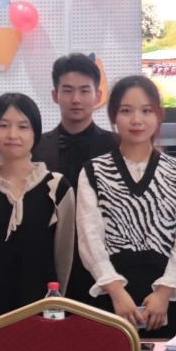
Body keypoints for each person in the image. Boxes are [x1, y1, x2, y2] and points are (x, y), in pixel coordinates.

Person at [77, 76, 176, 334]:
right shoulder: (93, 171)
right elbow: (89, 238)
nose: (136, 120)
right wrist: (116, 292)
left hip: (165, 301)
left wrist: (164, 293)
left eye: (146, 110)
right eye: (126, 111)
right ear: (113, 116)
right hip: (111, 300)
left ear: (159, 115)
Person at [0, 93, 75, 337]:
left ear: (35, 132)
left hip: (44, 307)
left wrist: (59, 303)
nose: (12, 134)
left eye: (23, 126)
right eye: (3, 125)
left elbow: (64, 259)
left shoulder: (57, 187)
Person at [32, 52, 117, 302]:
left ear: (98, 96)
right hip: (49, 262)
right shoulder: (36, 148)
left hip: (104, 265)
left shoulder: (116, 147)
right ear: (55, 95)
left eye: (84, 90)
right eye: (67, 90)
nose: (76, 99)